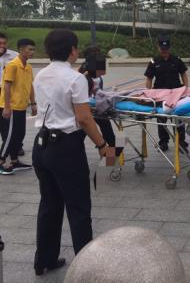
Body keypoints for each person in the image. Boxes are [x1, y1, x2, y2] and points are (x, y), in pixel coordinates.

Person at [32, 29, 113, 276]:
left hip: (41, 146)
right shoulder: (75, 78)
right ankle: (85, 269)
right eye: (76, 47)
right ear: (72, 50)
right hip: (66, 148)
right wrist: (102, 145)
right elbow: (84, 118)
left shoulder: (40, 74)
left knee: (49, 204)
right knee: (78, 208)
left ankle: (44, 260)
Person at [144, 35, 188, 152]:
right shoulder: (154, 62)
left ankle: (181, 142)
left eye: (166, 49)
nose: (164, 51)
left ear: (169, 47)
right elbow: (149, 78)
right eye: (162, 49)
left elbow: (183, 74)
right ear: (158, 47)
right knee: (161, 119)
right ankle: (163, 142)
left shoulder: (176, 60)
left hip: (175, 94)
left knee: (178, 118)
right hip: (160, 94)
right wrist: (148, 94)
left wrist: (186, 88)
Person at [0, 38, 37, 174]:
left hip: (21, 107)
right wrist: (7, 107)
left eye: (33, 50)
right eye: (30, 49)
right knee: (9, 136)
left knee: (19, 134)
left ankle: (14, 161)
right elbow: (7, 86)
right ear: (21, 49)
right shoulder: (12, 65)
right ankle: (1, 161)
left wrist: (33, 103)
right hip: (11, 107)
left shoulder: (28, 67)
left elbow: (30, 86)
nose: (32, 52)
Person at [79, 47, 115, 147]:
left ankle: (110, 155)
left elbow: (98, 90)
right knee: (81, 134)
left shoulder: (97, 70)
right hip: (87, 108)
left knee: (109, 134)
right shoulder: (82, 74)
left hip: (97, 106)